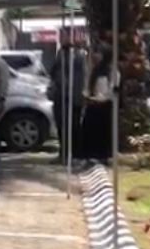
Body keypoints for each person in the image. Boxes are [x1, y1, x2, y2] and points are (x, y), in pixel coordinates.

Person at [49, 32, 86, 164]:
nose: (62, 39)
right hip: (60, 97)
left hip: (73, 97)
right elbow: (53, 72)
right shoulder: (60, 54)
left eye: (65, 37)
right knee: (61, 126)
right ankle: (63, 153)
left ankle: (74, 155)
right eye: (61, 37)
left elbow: (82, 77)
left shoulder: (79, 56)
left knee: (73, 127)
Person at [80, 47, 114, 162]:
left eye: (97, 53)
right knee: (89, 131)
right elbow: (88, 86)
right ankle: (89, 156)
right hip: (93, 104)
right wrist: (87, 96)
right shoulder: (94, 70)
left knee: (102, 132)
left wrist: (97, 99)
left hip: (103, 106)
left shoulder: (111, 71)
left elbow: (110, 91)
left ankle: (103, 156)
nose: (95, 56)